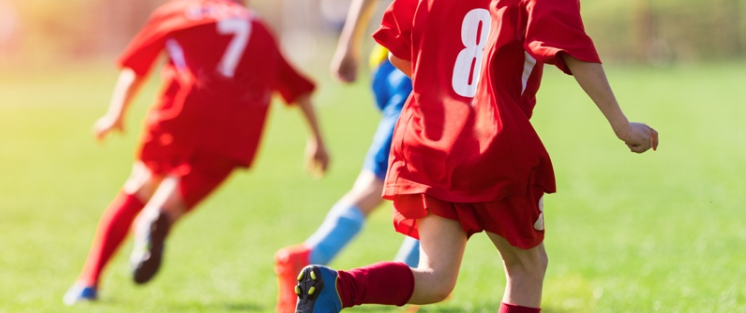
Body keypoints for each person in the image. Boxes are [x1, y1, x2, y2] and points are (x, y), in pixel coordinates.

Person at [291, 0, 660, 312]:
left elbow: (399, 53)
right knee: (526, 269)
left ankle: (341, 288)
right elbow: (572, 50)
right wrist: (622, 125)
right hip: (491, 144)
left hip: (427, 138)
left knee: (435, 279)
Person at [62, 0, 330, 305]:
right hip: (235, 129)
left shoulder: (179, 13)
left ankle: (88, 281)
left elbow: (136, 66)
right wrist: (317, 140)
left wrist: (116, 113)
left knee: (138, 189)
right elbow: (298, 89)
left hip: (180, 115)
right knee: (172, 200)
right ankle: (156, 218)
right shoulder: (260, 29)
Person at [273, 0, 420, 312]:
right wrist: (348, 43)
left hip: (397, 64)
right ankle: (311, 256)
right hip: (417, 68)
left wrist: (350, 44)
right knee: (383, 180)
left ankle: (415, 279)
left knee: (435, 181)